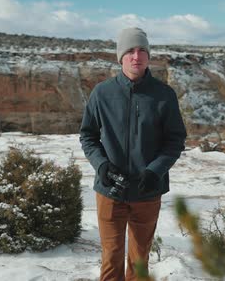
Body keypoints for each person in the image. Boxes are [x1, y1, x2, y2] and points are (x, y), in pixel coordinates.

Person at [80, 27, 187, 280]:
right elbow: (88, 135)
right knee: (111, 258)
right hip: (109, 190)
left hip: (147, 191)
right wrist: (101, 166)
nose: (136, 56)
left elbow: (175, 139)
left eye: (141, 51)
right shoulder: (102, 93)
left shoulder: (164, 95)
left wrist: (155, 171)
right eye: (129, 51)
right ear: (121, 57)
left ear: (148, 56)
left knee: (140, 260)